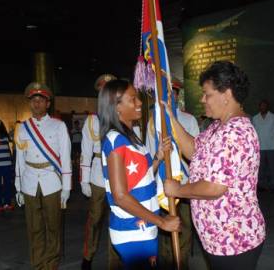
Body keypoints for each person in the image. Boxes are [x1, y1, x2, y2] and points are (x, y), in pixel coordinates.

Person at [164, 61, 265, 270]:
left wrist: (178, 190)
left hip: (235, 241)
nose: (202, 99)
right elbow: (193, 149)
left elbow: (213, 187)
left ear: (226, 95)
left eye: (207, 94)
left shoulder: (236, 133)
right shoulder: (218, 127)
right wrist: (171, 118)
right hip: (219, 239)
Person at [99, 79, 180, 269]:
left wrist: (158, 157)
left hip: (143, 226)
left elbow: (139, 178)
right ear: (116, 107)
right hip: (133, 229)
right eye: (133, 99)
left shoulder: (129, 136)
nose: (140, 103)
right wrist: (162, 222)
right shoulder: (115, 140)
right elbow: (120, 196)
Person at [14, 82, 72, 270]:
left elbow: (65, 156)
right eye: (33, 100)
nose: (37, 104)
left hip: (52, 182)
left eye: (41, 100)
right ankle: (38, 264)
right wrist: (18, 187)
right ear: (29, 103)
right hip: (30, 181)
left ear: (48, 103)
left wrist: (66, 187)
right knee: (34, 227)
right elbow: (20, 160)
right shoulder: (22, 128)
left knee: (54, 226)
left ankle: (51, 263)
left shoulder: (59, 126)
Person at [145, 77, 199, 269]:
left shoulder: (188, 119)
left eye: (172, 93)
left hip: (183, 184)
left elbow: (196, 155)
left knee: (183, 229)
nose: (169, 97)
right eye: (165, 94)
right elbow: (149, 154)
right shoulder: (152, 123)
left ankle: (181, 265)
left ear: (177, 95)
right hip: (161, 186)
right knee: (163, 230)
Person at [80, 73, 122, 270]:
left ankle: (115, 261)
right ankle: (88, 257)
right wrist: (84, 181)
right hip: (98, 176)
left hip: (119, 177)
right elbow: (85, 153)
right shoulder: (91, 121)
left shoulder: (123, 118)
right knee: (94, 220)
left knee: (118, 219)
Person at [252, 99, 274, 192]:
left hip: (272, 147)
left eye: (264, 106)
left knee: (273, 167)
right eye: (261, 106)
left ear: (267, 107)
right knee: (261, 168)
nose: (263, 107)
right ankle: (262, 185)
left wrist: (273, 140)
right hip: (260, 147)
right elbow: (253, 132)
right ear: (259, 107)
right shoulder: (255, 118)